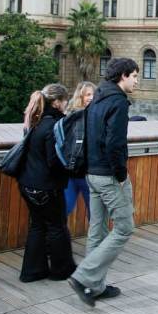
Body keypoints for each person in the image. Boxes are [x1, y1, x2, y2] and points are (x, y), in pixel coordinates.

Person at [69, 58, 139, 307]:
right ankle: (84, 277)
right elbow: (115, 143)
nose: (136, 81)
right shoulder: (118, 102)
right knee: (124, 227)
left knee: (97, 230)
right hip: (109, 176)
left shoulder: (97, 97)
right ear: (123, 76)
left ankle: (94, 287)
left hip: (91, 173)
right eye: (134, 76)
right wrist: (120, 175)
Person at [17, 83, 76, 282]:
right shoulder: (54, 125)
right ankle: (61, 270)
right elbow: (54, 160)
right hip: (47, 187)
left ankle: (32, 272)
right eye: (65, 101)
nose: (66, 105)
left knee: (37, 226)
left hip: (27, 184)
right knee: (57, 226)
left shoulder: (35, 121)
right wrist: (71, 168)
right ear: (58, 102)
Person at [64, 81, 95, 218]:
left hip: (88, 172)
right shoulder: (71, 116)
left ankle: (96, 240)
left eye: (93, 94)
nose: (91, 97)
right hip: (71, 171)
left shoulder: (96, 116)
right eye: (88, 94)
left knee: (94, 213)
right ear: (80, 97)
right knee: (66, 207)